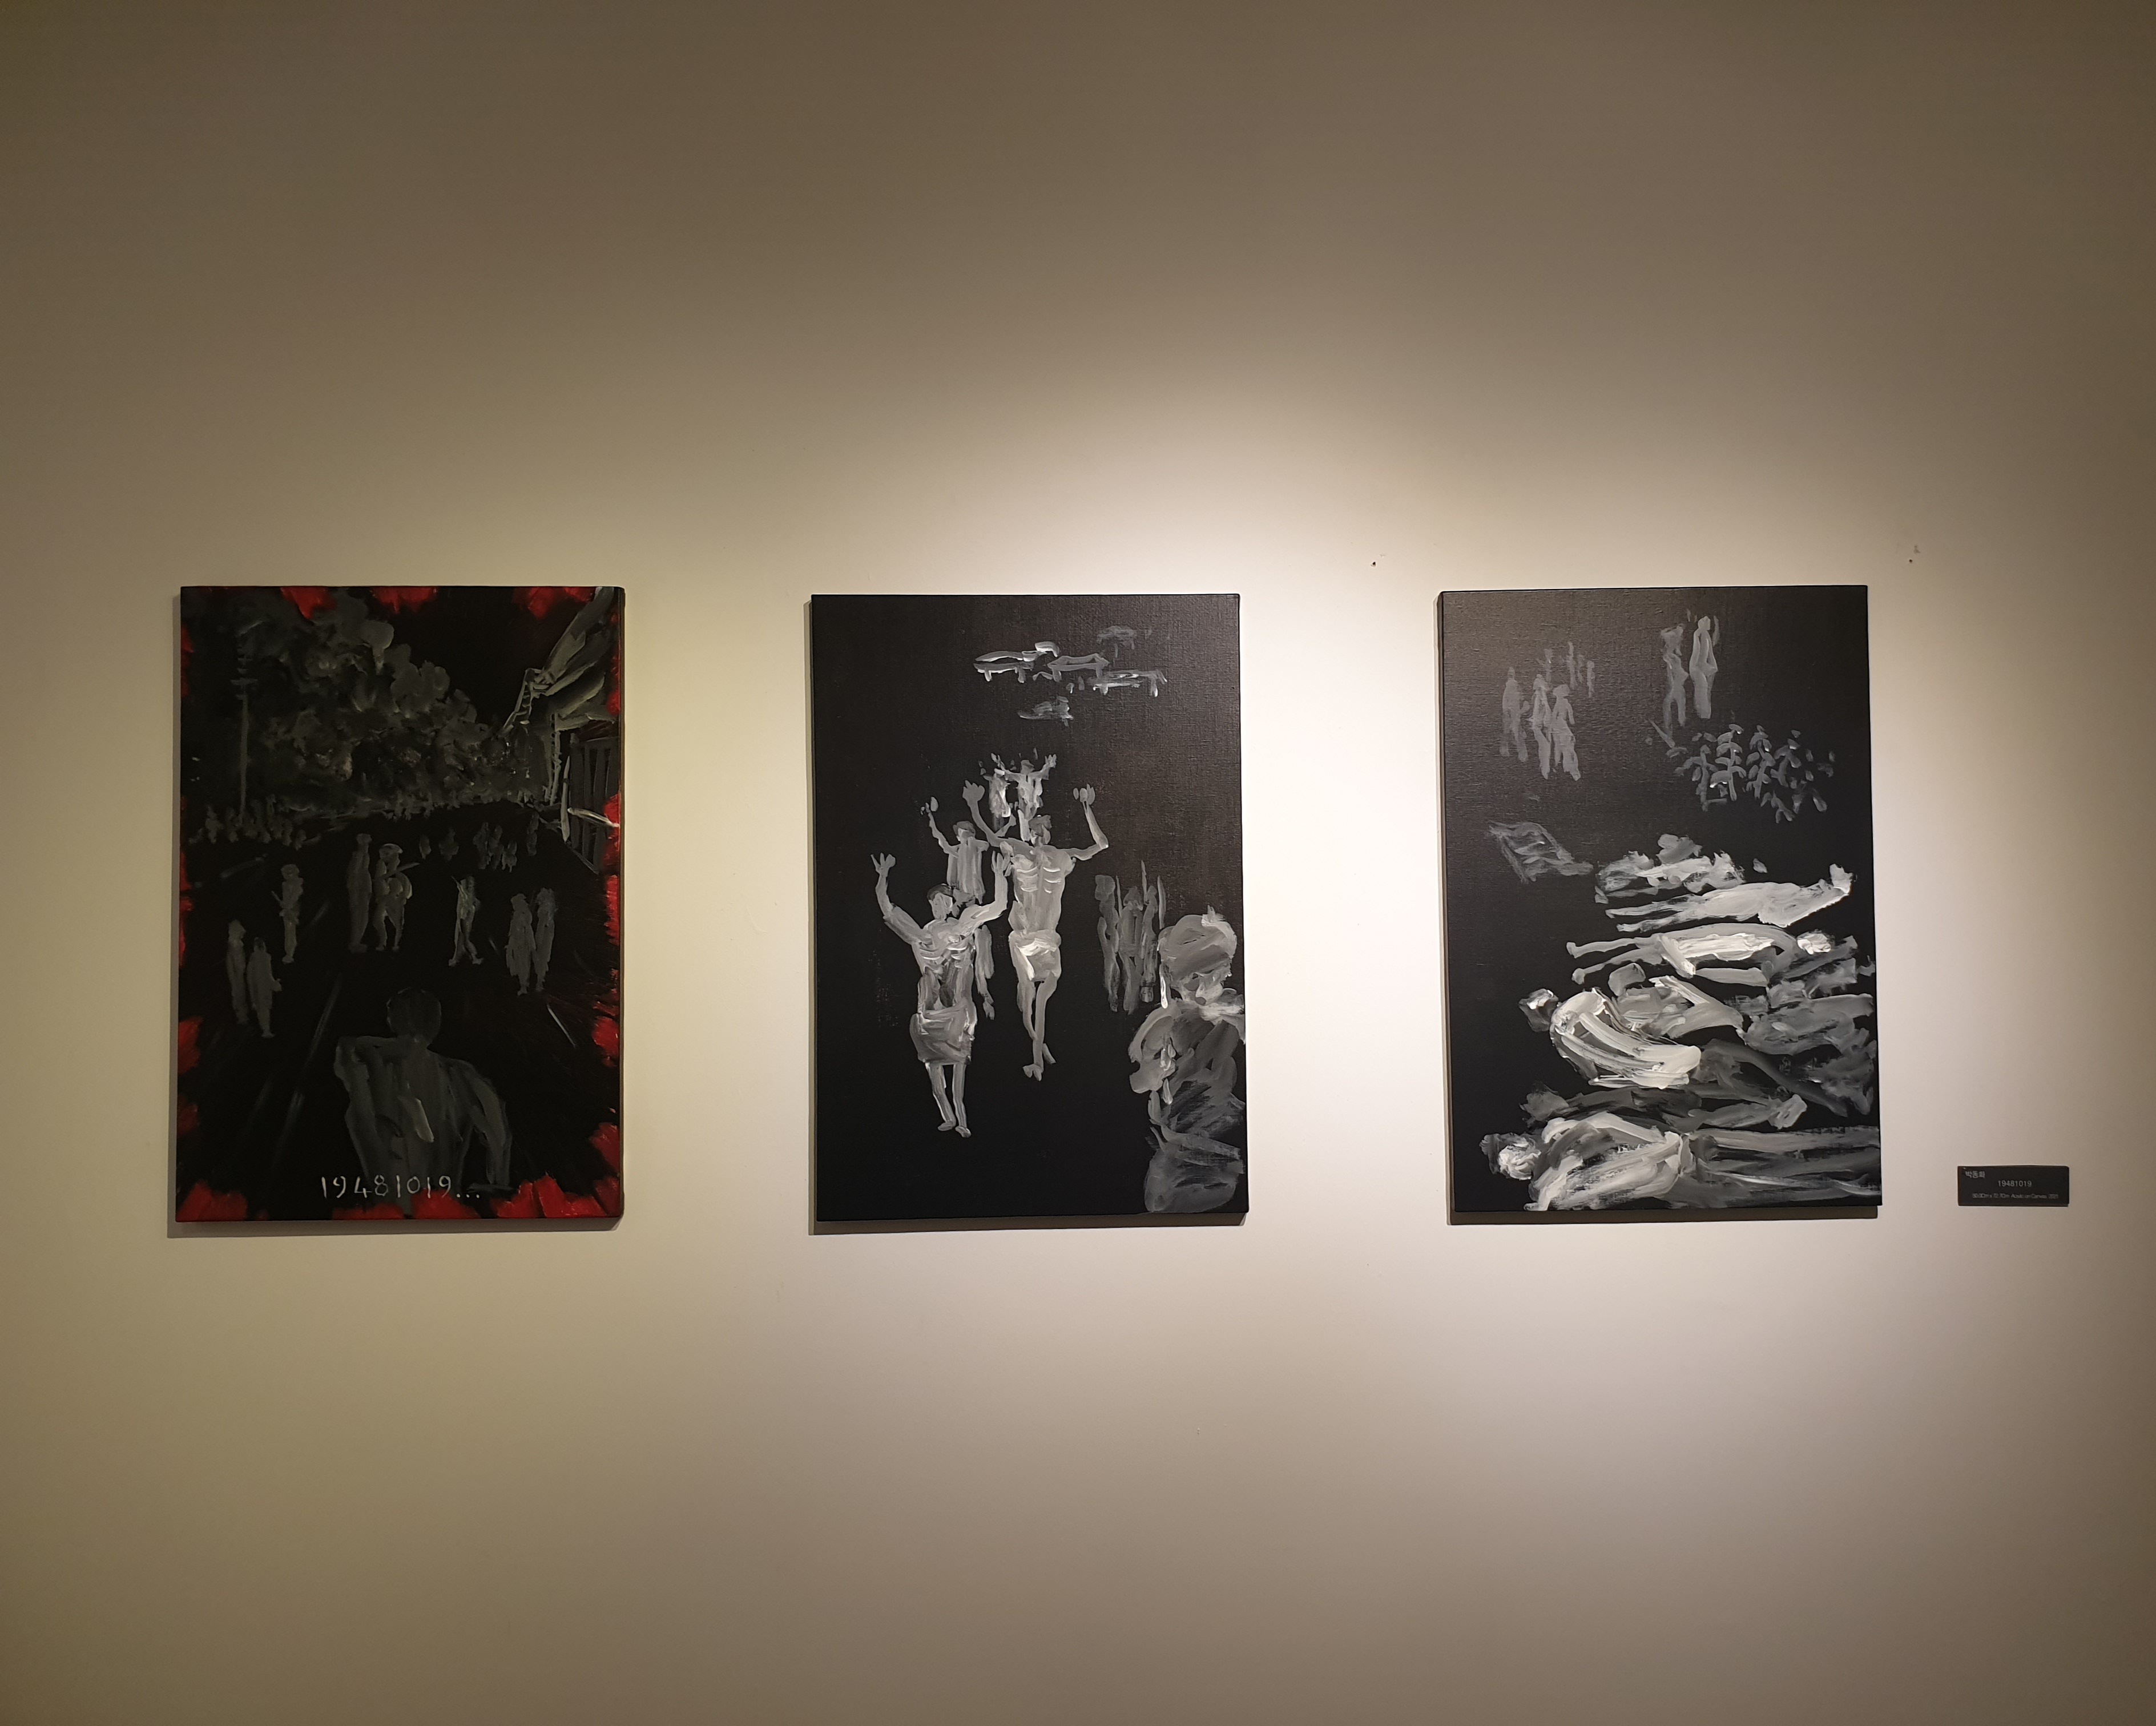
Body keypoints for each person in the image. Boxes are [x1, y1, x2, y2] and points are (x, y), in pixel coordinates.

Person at [967, 779, 1109, 1079]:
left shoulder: (1062, 854)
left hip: (1040, 940)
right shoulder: (1024, 849)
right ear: (1029, 833)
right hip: (1033, 940)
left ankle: (1038, 1053)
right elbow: (991, 838)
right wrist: (974, 806)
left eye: (1042, 828)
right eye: (1034, 829)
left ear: (1047, 832)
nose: (1038, 833)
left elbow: (1101, 845)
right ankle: (1038, 1055)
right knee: (1031, 1001)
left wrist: (1087, 809)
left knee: (1034, 998)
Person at [333, 988, 512, 1213]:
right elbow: (497, 1134)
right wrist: (497, 1175)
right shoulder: (461, 1074)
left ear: (397, 1019)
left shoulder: (370, 1063)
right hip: (441, 1204)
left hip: (394, 1205)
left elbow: (353, 1048)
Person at [872, 850, 1010, 1136]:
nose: (938, 906)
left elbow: (998, 907)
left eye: (943, 901)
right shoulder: (921, 934)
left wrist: (999, 876)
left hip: (957, 1006)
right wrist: (883, 877)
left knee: (959, 1065)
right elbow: (888, 910)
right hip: (931, 1007)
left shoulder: (963, 926)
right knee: (933, 1066)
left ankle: (962, 1119)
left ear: (950, 905)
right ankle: (947, 1116)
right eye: (934, 902)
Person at [1128, 911, 1246, 1213]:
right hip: (1181, 1131)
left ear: (1228, 970)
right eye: (1193, 978)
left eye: (1216, 973)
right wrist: (1154, 1073)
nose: (1205, 986)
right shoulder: (1167, 1023)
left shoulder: (1235, 1015)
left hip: (1220, 1131)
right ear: (1172, 978)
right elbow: (1138, 1083)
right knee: (1168, 1197)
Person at [372, 843, 412, 951]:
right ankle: (385, 942)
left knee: (397, 923)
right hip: (387, 899)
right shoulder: (386, 872)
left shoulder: (398, 875)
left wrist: (403, 896)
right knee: (379, 920)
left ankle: (397, 944)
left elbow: (405, 885)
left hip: (393, 899)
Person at [245, 937, 281, 1037]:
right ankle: (267, 1030)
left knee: (261, 1010)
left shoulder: (252, 960)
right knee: (265, 1010)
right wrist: (274, 984)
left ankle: (265, 1029)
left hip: (257, 988)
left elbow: (250, 978)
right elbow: (268, 974)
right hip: (265, 988)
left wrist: (252, 998)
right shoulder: (266, 957)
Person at [346, 834, 373, 952]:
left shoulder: (364, 856)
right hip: (358, 885)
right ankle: (355, 940)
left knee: (363, 912)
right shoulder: (358, 856)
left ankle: (357, 940)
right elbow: (355, 872)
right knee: (358, 912)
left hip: (362, 885)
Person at [275, 863, 304, 963]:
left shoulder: (297, 884)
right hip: (288, 910)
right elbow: (286, 899)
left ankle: (290, 953)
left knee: (290, 932)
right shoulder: (286, 885)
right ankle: (289, 953)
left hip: (293, 910)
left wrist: (287, 908)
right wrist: (284, 905)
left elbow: (295, 898)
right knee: (289, 933)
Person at [506, 894, 536, 993]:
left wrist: (532, 946)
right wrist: (510, 944)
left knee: (524, 965)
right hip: (516, 944)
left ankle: (524, 986)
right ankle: (522, 984)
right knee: (519, 964)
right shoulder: (516, 917)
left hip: (523, 944)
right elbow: (512, 932)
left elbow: (528, 931)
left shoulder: (523, 917)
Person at [450, 876, 482, 966]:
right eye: (470, 886)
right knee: (462, 939)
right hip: (464, 922)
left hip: (466, 922)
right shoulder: (467, 902)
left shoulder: (470, 903)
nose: (471, 888)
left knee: (463, 939)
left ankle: (470, 958)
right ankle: (471, 958)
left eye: (472, 886)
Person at [533, 887, 557, 990]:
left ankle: (539, 981)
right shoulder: (544, 917)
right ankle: (539, 981)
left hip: (546, 934)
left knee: (543, 958)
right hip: (544, 935)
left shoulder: (548, 918)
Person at [1500, 667, 1526, 761]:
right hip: (1509, 711)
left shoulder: (1516, 686)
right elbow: (1505, 700)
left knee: (1516, 730)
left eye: (1512, 673)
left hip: (1515, 711)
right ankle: (1506, 748)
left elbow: (1521, 698)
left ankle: (1521, 753)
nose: (1510, 674)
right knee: (1507, 730)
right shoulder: (1508, 686)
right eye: (1509, 673)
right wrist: (1506, 711)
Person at [224, 921, 248, 1020]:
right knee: (239, 993)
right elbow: (237, 965)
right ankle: (241, 1016)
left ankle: (242, 1015)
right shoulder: (235, 946)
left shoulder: (236, 945)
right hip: (237, 976)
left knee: (239, 992)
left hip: (238, 975)